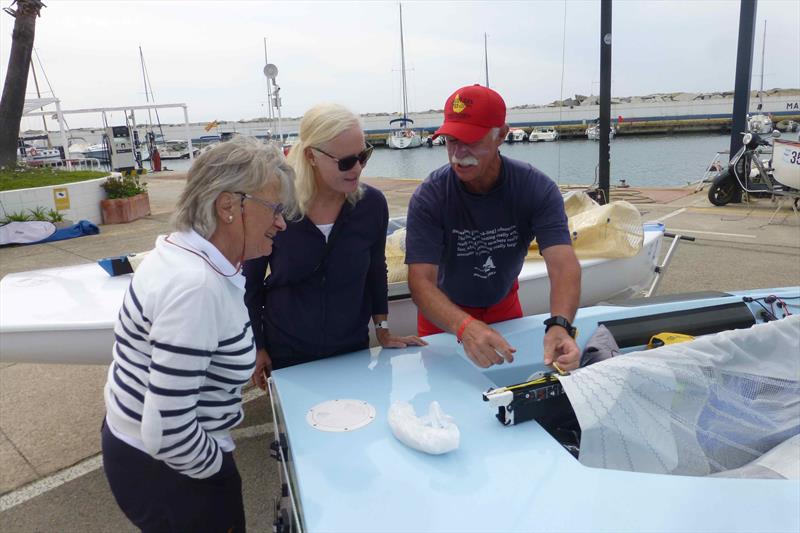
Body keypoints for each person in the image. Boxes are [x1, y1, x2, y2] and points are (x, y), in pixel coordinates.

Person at [101, 136, 294, 532]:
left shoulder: (181, 254)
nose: (281, 222)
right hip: (170, 473)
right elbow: (168, 432)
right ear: (228, 207)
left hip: (137, 450)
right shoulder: (197, 286)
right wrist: (218, 468)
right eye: (274, 208)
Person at [244, 103, 425, 387]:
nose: (357, 169)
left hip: (352, 349)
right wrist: (258, 346)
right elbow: (251, 283)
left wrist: (383, 330)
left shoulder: (372, 205)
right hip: (288, 354)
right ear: (311, 156)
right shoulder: (278, 207)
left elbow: (376, 271)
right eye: (345, 162)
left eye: (363, 157)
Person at [405, 84, 582, 371]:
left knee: (511, 382)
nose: (458, 154)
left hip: (504, 306)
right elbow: (421, 282)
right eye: (451, 140)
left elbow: (563, 265)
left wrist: (560, 325)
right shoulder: (430, 197)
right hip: (443, 314)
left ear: (501, 135)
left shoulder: (536, 188)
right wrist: (465, 327)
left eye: (471, 140)